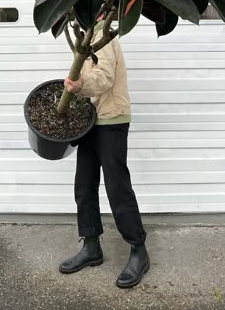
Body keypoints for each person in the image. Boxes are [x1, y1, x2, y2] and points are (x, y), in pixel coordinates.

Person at [60, 23, 150, 288]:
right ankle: (91, 247)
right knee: (84, 185)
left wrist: (80, 85)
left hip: (111, 118)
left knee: (116, 186)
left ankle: (139, 250)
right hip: (90, 120)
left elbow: (105, 76)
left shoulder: (104, 36)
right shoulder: (84, 34)